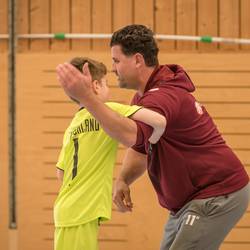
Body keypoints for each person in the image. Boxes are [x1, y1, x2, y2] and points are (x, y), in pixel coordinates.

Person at [56, 25, 250, 250]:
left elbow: (131, 135)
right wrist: (124, 179)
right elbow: (140, 147)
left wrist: (88, 99)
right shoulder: (143, 99)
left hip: (216, 193)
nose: (113, 69)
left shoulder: (164, 97)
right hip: (187, 202)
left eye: (117, 61)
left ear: (137, 60)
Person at [54, 56, 166, 250]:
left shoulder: (72, 126)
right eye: (106, 83)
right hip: (82, 210)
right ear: (96, 85)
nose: (109, 88)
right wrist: (153, 140)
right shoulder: (111, 109)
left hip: (68, 209)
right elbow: (159, 121)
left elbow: (61, 174)